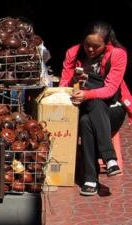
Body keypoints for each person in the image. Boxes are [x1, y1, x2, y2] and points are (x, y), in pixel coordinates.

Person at [59, 21, 132, 196]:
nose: (90, 50)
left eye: (96, 47)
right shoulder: (73, 52)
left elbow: (110, 89)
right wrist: (73, 87)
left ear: (106, 44)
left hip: (112, 110)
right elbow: (64, 83)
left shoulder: (118, 55)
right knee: (86, 118)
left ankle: (90, 178)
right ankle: (109, 159)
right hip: (83, 108)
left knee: (92, 110)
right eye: (87, 45)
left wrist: (87, 93)